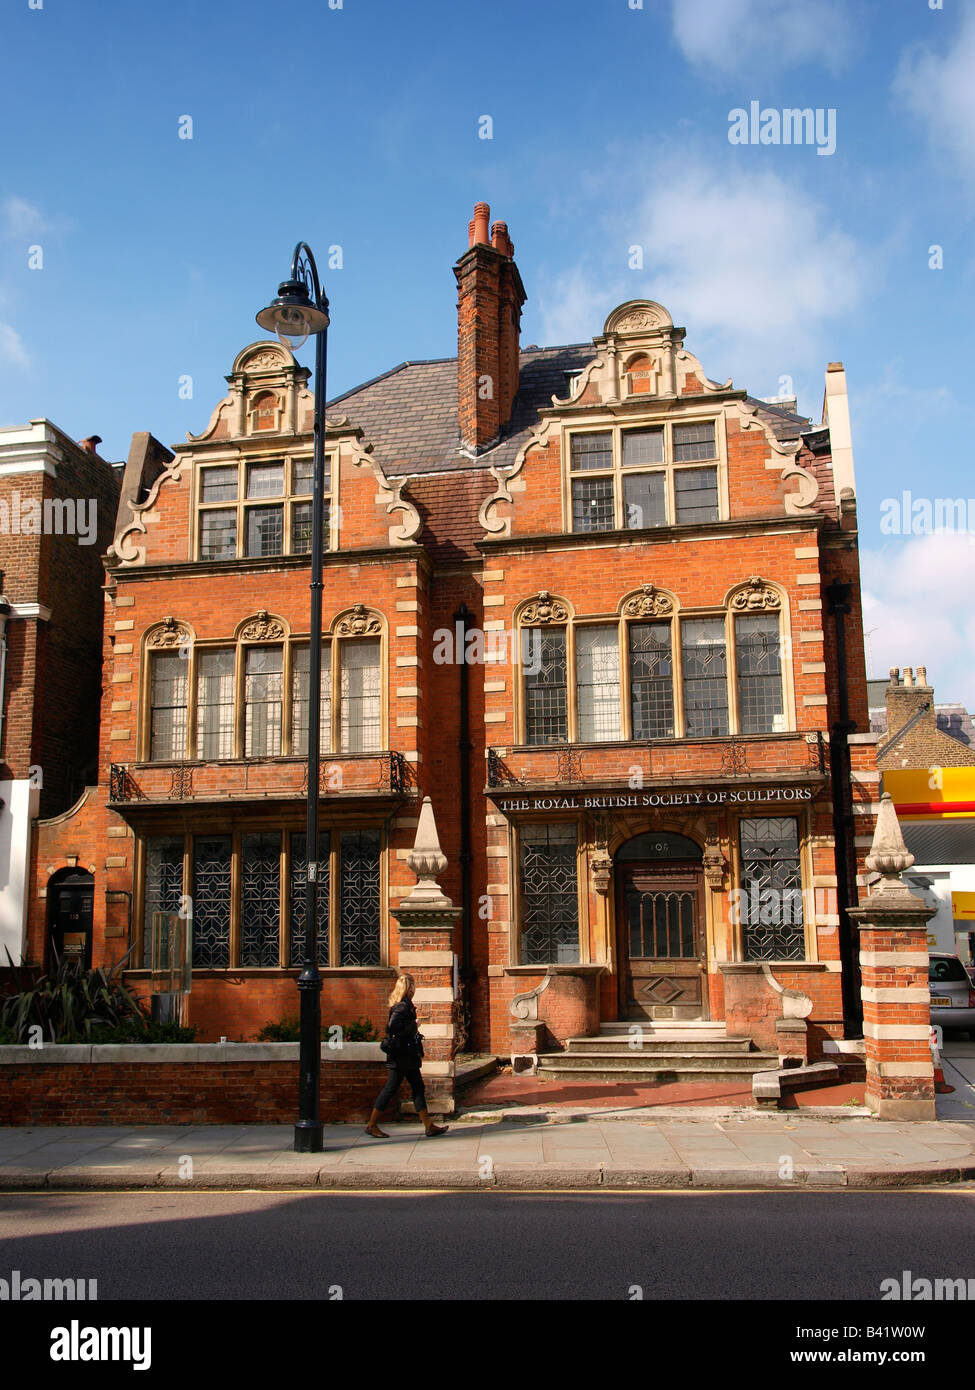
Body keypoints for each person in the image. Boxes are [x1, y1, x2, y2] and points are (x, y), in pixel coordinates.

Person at [365, 974, 448, 1138]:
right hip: (401, 1056)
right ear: (410, 988)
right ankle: (371, 1124)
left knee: (417, 1088)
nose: (415, 989)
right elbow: (394, 1027)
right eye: (414, 986)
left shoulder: (403, 1004)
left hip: (406, 1056)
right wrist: (414, 1025)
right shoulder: (402, 1006)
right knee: (391, 1089)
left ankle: (428, 1125)